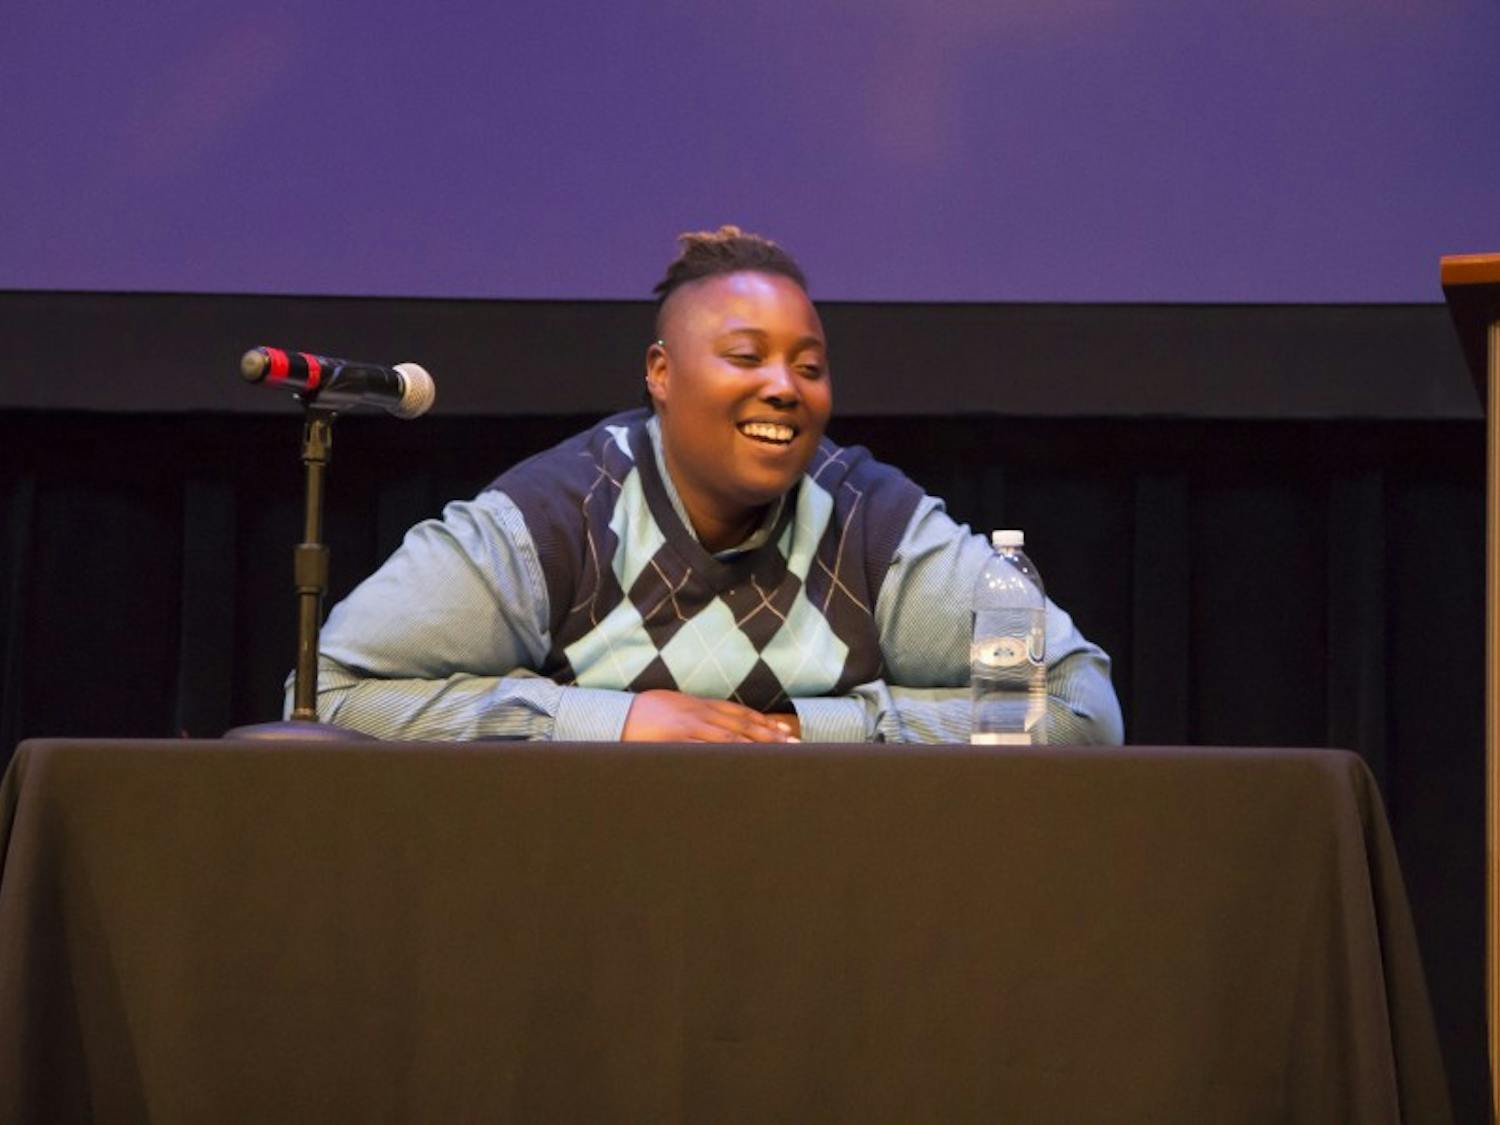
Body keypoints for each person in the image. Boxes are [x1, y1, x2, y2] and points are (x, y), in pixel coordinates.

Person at [302, 226, 1123, 744]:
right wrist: (610, 722)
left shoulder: (873, 520)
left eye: (810, 367)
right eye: (745, 357)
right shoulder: (554, 516)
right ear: (661, 373)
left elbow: (1081, 706)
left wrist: (813, 732)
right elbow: (328, 695)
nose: (785, 387)